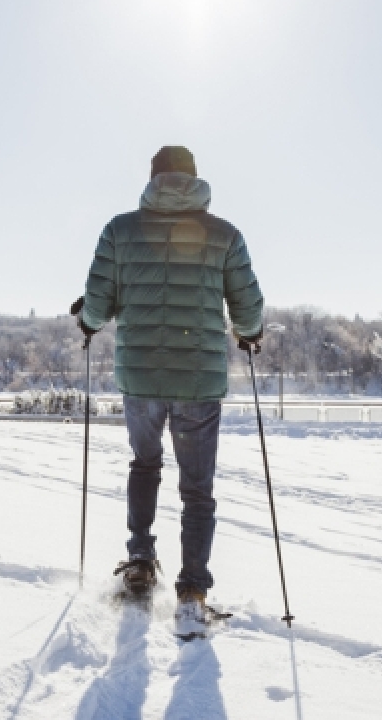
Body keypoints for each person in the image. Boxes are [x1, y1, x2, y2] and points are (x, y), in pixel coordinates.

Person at [71, 145, 264, 631]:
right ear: (194, 179)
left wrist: (88, 319)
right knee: (197, 490)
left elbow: (98, 302)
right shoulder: (224, 235)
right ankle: (193, 593)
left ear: (153, 178)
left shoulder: (120, 230)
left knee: (145, 462)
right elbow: (248, 308)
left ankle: (139, 562)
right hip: (198, 380)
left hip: (140, 378)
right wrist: (250, 332)